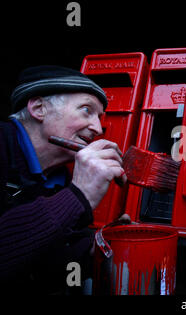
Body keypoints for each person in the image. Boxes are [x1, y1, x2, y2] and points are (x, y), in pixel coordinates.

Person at [0, 65, 127, 293]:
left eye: (99, 117)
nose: (98, 128)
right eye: (87, 110)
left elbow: (49, 265)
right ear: (39, 108)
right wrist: (79, 196)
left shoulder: (61, 178)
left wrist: (97, 244)